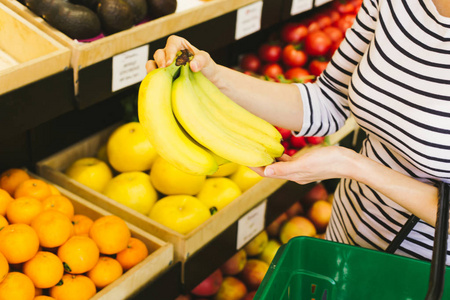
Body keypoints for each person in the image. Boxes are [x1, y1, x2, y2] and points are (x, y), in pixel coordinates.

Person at [146, 0, 450, 262]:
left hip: (425, 269)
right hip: (349, 230)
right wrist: (211, 74)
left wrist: (354, 166)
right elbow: (328, 99)